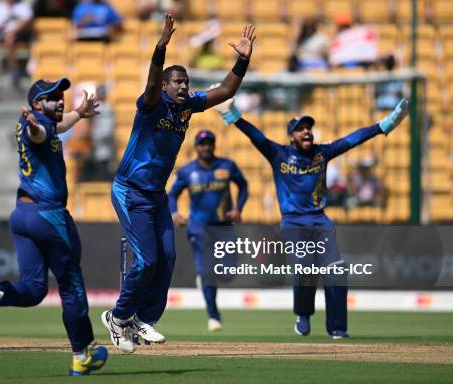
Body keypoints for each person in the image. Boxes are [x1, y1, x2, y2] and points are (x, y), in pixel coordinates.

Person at [101, 14, 256, 354]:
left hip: (155, 195)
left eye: (186, 82)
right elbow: (152, 83)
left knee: (167, 257)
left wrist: (242, 60)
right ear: (167, 87)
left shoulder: (188, 109)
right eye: (178, 83)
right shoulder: (151, 106)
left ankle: (143, 319)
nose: (184, 87)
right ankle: (118, 317)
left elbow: (226, 90)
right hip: (130, 190)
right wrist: (160, 47)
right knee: (146, 260)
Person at [214, 94, 409, 339]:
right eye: (300, 129)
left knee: (336, 272)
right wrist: (232, 116)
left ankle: (337, 328)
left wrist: (384, 126)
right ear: (291, 136)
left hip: (320, 222)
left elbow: (352, 139)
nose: (307, 132)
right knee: (306, 268)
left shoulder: (322, 154)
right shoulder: (278, 154)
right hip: (293, 223)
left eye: (309, 128)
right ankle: (303, 315)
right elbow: (256, 136)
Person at [0, 78, 108, 376]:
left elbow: (58, 126)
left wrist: (80, 112)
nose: (60, 100)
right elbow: (40, 134)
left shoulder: (46, 122)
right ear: (35, 104)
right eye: (52, 97)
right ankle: (82, 353)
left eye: (61, 96)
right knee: (71, 284)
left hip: (23, 215)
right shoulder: (37, 125)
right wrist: (34, 127)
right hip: (49, 216)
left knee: (33, 290)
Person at [168, 130, 248, 331]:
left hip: (223, 227)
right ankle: (214, 316)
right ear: (196, 147)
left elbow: (243, 186)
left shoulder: (226, 166)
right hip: (198, 228)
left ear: (214, 145)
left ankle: (206, 277)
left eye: (209, 143)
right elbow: (172, 195)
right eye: (202, 144)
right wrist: (175, 213)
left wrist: (238, 209)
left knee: (228, 272)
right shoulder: (187, 171)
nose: (206, 147)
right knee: (207, 273)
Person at [0, 0, 34, 84]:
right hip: (3, 34)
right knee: (8, 39)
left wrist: (13, 31)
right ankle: (14, 68)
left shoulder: (23, 6)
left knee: (10, 37)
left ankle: (14, 69)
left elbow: (28, 20)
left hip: (22, 34)